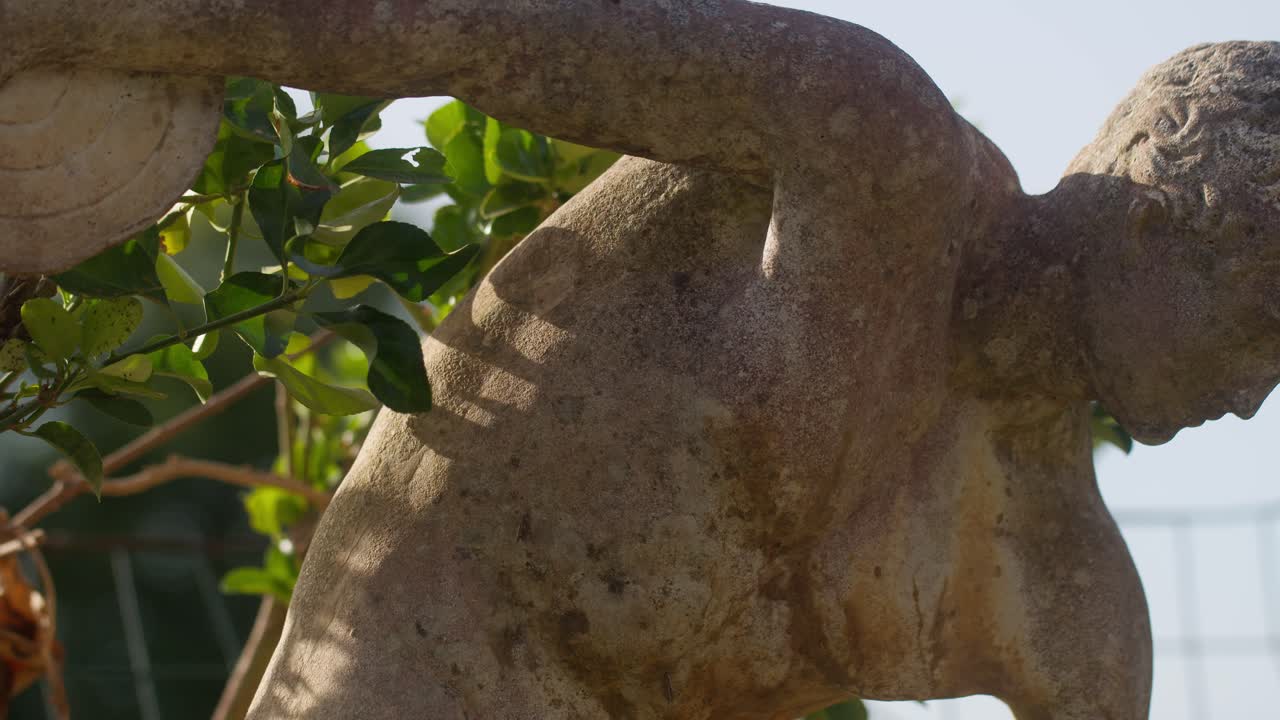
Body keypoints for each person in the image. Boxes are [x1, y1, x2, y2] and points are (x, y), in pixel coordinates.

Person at [4, 2, 1278, 718]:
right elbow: (466, 35)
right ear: (1167, 223)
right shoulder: (866, 144)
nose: (1254, 392)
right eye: (1264, 327)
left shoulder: (1066, 599)